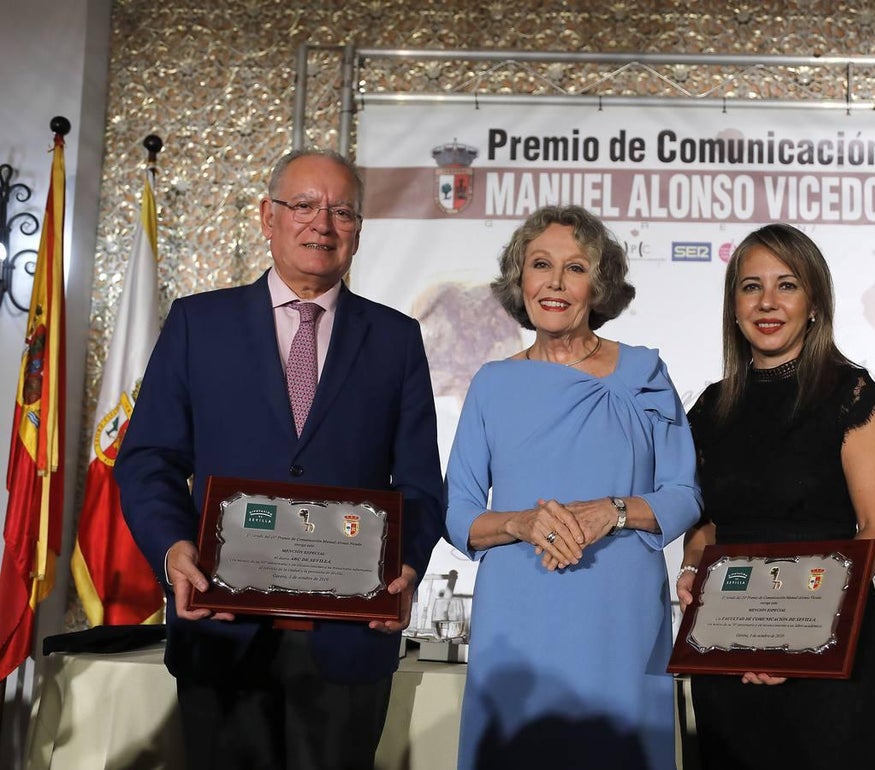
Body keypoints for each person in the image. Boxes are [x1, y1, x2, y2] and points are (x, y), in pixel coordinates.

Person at [115, 149, 445, 770]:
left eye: (342, 211)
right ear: (268, 217)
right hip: (221, 627)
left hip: (349, 642)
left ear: (358, 232)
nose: (322, 223)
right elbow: (149, 459)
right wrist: (172, 548)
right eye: (304, 205)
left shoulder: (396, 339)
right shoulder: (196, 324)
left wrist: (406, 568)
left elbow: (421, 484)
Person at [445, 205, 701, 770]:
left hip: (619, 612)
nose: (555, 283)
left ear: (599, 283)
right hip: (519, 612)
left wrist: (611, 511)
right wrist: (519, 522)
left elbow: (684, 495)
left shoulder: (643, 375)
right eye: (541, 265)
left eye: (575, 267)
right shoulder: (493, 384)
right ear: (521, 281)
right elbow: (459, 511)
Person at [677, 223, 875, 770]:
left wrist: (798, 637)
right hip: (729, 650)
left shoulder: (850, 394)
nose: (768, 302)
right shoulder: (711, 407)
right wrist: (689, 569)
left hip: (831, 655)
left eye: (787, 285)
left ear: (815, 302)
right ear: (734, 306)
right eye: (751, 286)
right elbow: (707, 524)